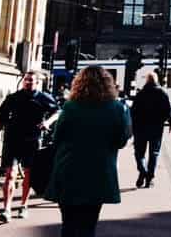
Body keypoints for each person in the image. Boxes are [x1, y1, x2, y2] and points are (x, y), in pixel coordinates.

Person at [45, 66, 131, 237]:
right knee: (88, 226)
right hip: (99, 173)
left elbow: (57, 138)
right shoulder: (117, 108)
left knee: (68, 225)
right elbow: (121, 141)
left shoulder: (70, 107)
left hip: (69, 170)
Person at [0, 70, 59, 223]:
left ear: (37, 82)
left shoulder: (43, 98)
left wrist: (47, 122)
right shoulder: (13, 98)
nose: (28, 82)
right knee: (10, 174)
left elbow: (57, 112)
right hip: (12, 139)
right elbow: (0, 117)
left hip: (32, 140)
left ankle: (23, 205)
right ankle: (6, 209)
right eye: (26, 80)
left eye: (31, 80)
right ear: (23, 81)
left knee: (29, 174)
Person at [130, 73, 171, 188]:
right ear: (156, 80)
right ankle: (149, 178)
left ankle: (142, 171)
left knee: (139, 153)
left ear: (146, 81)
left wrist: (132, 127)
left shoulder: (140, 94)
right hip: (156, 128)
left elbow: (133, 112)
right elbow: (169, 110)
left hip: (140, 128)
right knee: (154, 153)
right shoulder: (162, 93)